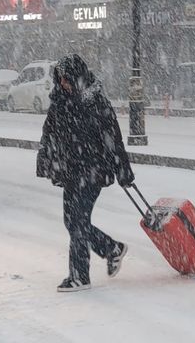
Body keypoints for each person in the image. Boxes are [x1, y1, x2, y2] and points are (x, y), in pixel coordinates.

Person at [36, 54, 135, 292]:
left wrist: (123, 170)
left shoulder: (95, 102)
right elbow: (49, 133)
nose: (63, 83)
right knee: (72, 221)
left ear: (77, 77)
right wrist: (46, 160)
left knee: (78, 222)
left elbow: (113, 139)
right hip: (70, 171)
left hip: (93, 170)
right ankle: (111, 248)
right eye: (60, 79)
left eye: (67, 79)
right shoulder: (60, 100)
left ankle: (80, 276)